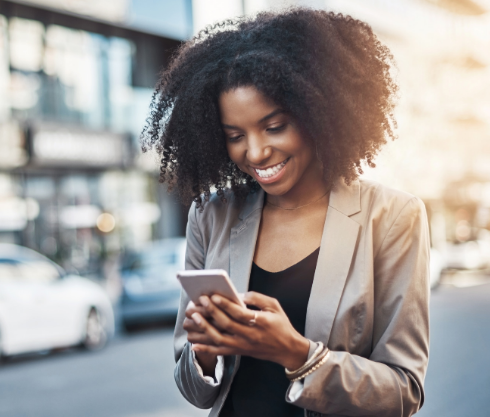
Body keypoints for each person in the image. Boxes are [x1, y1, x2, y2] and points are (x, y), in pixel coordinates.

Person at [141, 7, 430, 417]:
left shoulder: (393, 217)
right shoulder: (211, 215)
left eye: (274, 126)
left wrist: (296, 353)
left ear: (318, 112)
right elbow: (196, 392)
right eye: (235, 136)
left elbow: (404, 392)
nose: (255, 152)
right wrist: (204, 352)